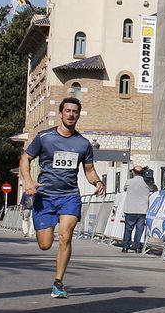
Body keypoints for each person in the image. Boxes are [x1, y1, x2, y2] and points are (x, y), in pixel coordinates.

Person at [19, 98, 105, 297]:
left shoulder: (83, 144)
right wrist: (28, 181)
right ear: (61, 113)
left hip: (69, 196)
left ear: (78, 115)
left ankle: (59, 282)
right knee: (45, 244)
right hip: (45, 197)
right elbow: (25, 158)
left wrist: (97, 182)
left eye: (75, 111)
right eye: (67, 111)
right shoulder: (44, 137)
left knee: (66, 236)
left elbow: (89, 170)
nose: (71, 114)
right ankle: (41, 225)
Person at [119, 163, 156, 252]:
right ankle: (136, 247)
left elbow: (125, 189)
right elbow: (153, 188)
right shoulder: (147, 183)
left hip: (130, 209)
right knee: (139, 229)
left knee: (128, 228)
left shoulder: (129, 182)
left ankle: (125, 247)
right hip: (142, 210)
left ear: (133, 172)